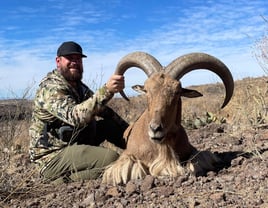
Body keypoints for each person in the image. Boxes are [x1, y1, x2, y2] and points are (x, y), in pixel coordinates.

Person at [29, 41, 128, 184]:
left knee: (110, 126)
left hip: (73, 143)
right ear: (58, 61)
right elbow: (75, 117)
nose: (75, 62)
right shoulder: (50, 88)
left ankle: (147, 152)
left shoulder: (79, 88)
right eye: (70, 58)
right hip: (52, 156)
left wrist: (131, 131)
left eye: (78, 59)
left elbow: (104, 111)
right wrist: (107, 90)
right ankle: (59, 181)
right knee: (112, 159)